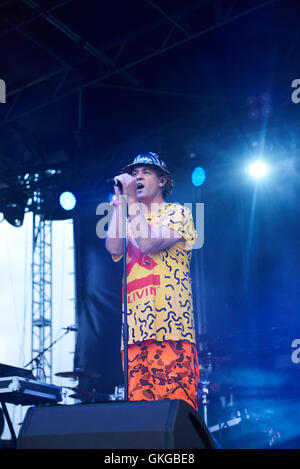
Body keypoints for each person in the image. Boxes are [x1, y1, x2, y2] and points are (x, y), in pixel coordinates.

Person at [105, 152, 199, 410]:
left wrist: (131, 201)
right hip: (135, 333)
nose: (137, 176)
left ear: (162, 180)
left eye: (145, 172)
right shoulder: (128, 218)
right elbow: (113, 248)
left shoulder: (179, 213)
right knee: (141, 418)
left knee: (176, 413)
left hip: (172, 329)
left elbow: (148, 243)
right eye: (134, 173)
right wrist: (119, 202)